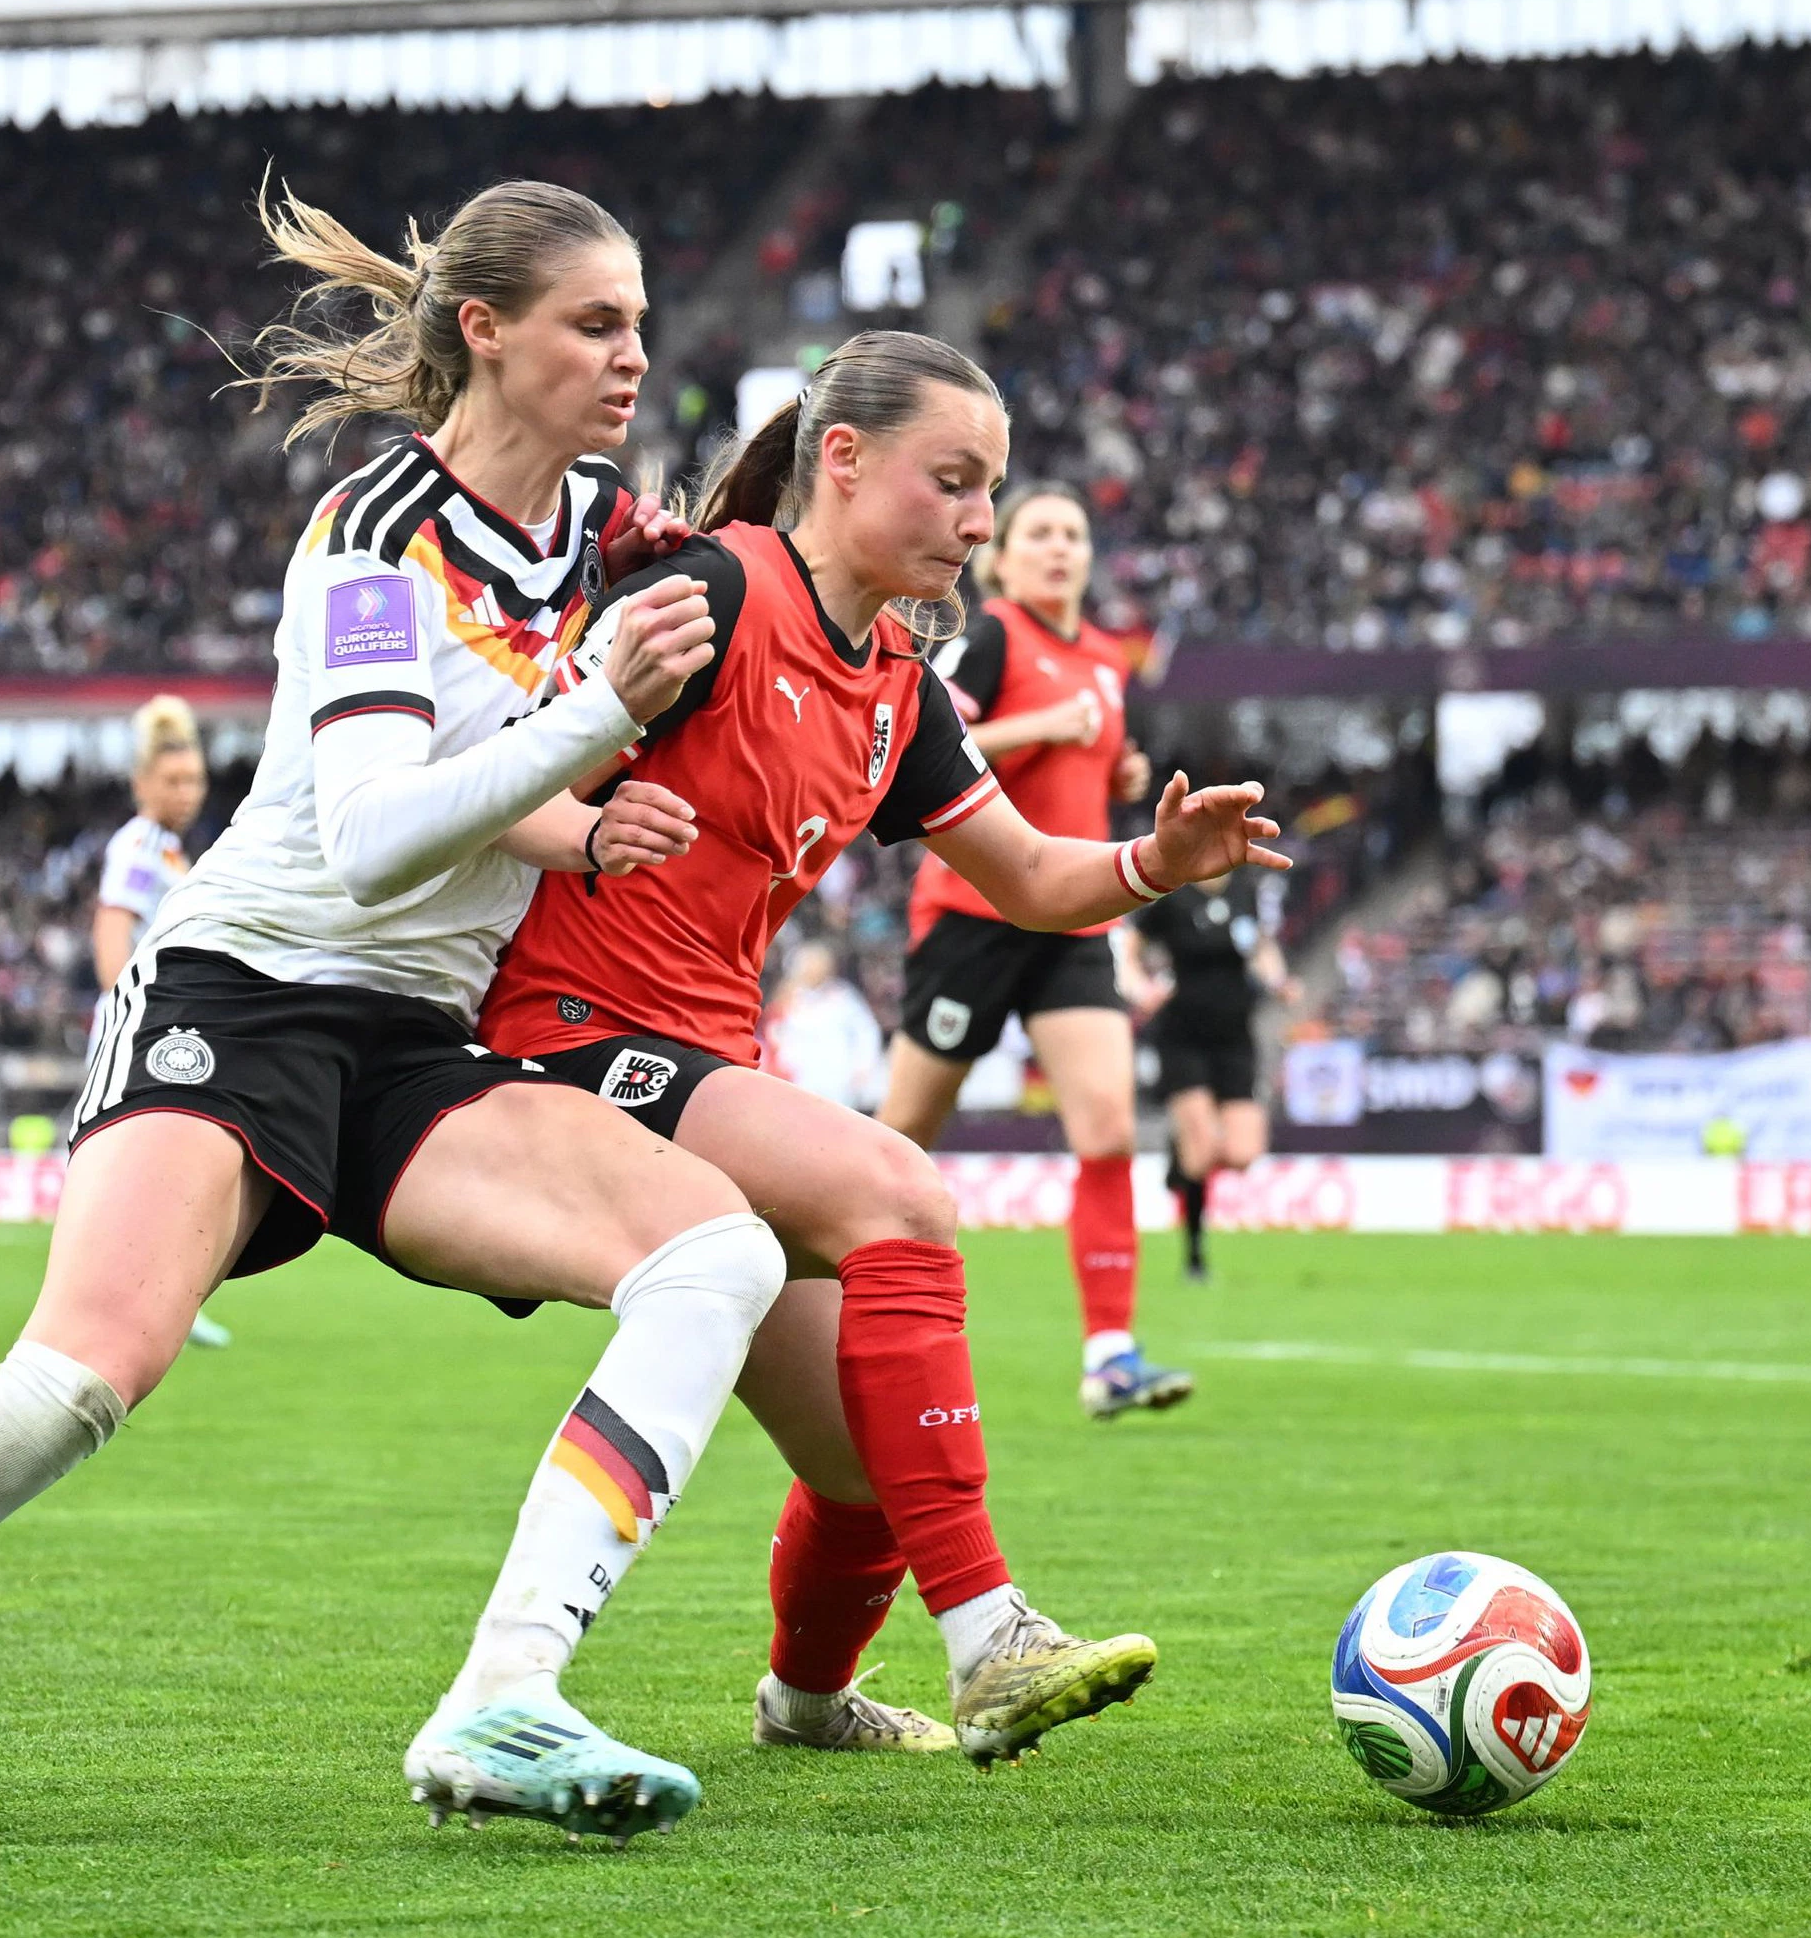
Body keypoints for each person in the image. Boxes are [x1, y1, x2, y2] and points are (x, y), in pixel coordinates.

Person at [0, 177, 788, 1852]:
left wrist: (586, 815)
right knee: (80, 1378)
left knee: (715, 1256)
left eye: (642, 325)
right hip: (239, 992)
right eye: (598, 323)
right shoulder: (373, 546)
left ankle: (499, 1697)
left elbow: (509, 754)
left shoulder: (596, 541)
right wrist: (595, 717)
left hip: (411, 1040)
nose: (633, 358)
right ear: (484, 331)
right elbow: (372, 832)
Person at [476, 330, 1289, 1762]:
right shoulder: (708, 595)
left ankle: (803, 1704)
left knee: (868, 1463)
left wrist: (1155, 861)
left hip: (704, 1057)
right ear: (839, 461)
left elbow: (1034, 876)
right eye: (956, 483)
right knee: (902, 1189)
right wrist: (593, 827)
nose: (979, 522)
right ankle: (992, 1641)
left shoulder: (898, 683)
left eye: (995, 491)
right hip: (571, 1039)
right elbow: (491, 789)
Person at [874, 485, 1185, 1416]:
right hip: (971, 912)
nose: (1058, 549)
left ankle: (1112, 1354)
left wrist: (1116, 769)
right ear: (1003, 559)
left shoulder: (1103, 660)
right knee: (899, 1145)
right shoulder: (997, 635)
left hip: (1073, 925)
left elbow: (1088, 773)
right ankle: (823, 1304)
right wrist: (1044, 731)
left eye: (1073, 536)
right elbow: (936, 738)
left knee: (1110, 1130)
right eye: (1039, 534)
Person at [96, 693, 234, 1347]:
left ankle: (162, 1295)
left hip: (166, 1022)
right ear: (142, 783)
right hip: (144, 1025)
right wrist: (123, 1005)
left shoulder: (174, 852)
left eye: (195, 780)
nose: (187, 792)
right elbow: (111, 925)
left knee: (166, 1162)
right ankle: (141, 1296)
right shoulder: (140, 844)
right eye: (173, 780)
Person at [1128, 870, 1287, 1288]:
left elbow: (1262, 948)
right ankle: (1195, 1258)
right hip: (1183, 1037)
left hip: (1235, 1036)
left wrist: (1277, 979)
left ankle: (1178, 1150)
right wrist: (1143, 988)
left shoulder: (1245, 891)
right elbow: (1130, 946)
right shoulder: (1174, 894)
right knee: (1201, 1157)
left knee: (1242, 1153)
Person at [762, 942, 885, 1114]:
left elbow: (866, 1030)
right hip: (801, 1074)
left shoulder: (842, 995)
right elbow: (776, 1032)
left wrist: (863, 1064)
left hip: (838, 1074)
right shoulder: (789, 996)